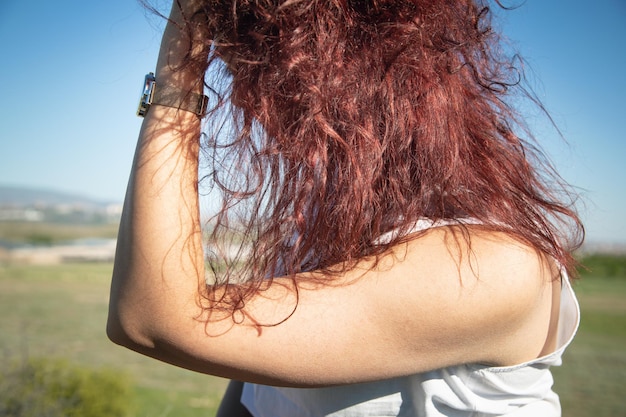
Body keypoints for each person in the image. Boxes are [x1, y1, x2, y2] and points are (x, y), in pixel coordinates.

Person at [107, 0, 584, 416]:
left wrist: (180, 69)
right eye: (243, 79)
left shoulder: (489, 265)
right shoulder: (313, 235)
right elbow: (257, 398)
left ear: (377, 82)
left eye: (274, 79)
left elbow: (153, 321)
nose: (251, 107)